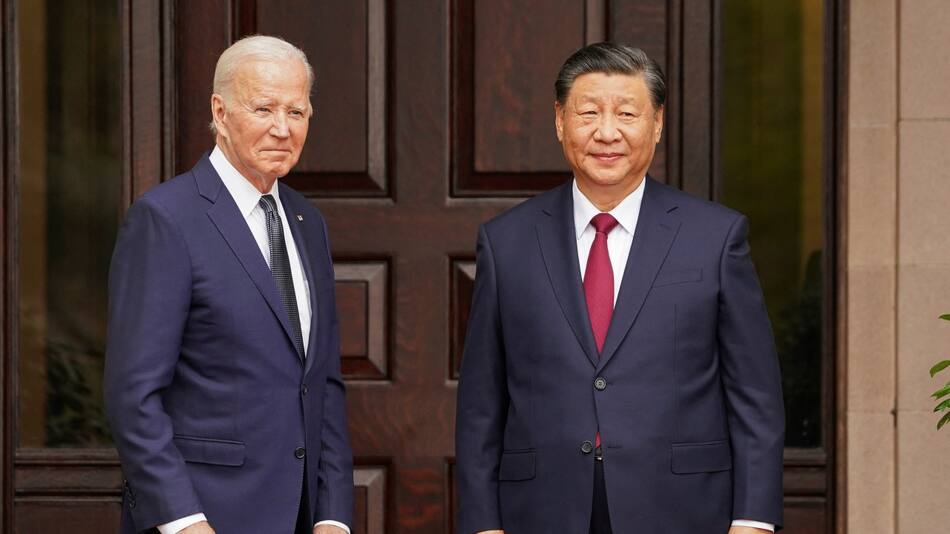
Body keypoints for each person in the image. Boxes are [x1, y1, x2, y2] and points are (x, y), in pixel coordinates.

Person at [455, 42, 785, 534]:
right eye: (588, 112)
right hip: (542, 511)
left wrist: (753, 520)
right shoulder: (507, 241)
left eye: (627, 113)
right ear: (560, 121)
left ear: (656, 124)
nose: (606, 132)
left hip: (684, 509)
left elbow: (754, 394)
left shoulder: (715, 237)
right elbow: (482, 402)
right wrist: (483, 523)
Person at [104, 35, 353, 534]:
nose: (282, 129)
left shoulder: (307, 220)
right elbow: (133, 395)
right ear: (220, 112)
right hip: (203, 517)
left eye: (297, 112)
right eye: (263, 109)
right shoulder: (166, 219)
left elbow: (321, 383)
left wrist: (332, 516)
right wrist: (184, 521)